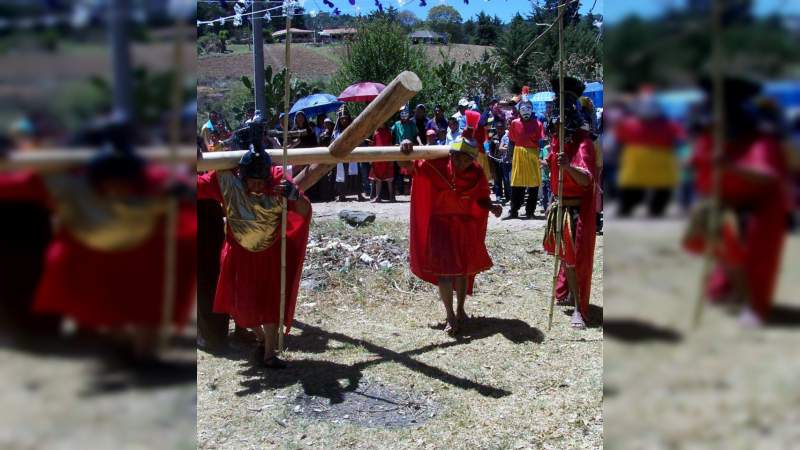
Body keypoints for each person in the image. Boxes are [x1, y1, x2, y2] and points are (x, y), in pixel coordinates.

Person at [0, 124, 197, 362]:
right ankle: (121, 345)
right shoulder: (67, 186)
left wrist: (183, 192)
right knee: (103, 305)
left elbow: (184, 191)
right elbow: (14, 185)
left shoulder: (154, 181)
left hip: (143, 255)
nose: (117, 189)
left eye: (123, 182)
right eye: (111, 182)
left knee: (149, 305)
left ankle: (145, 354)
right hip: (92, 256)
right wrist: (6, 164)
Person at [197, 135, 312, 367]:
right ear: (242, 175)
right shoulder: (226, 182)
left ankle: (269, 354)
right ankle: (261, 340)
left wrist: (295, 195)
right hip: (238, 253)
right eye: (253, 181)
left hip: (270, 254)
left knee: (270, 304)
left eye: (262, 181)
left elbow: (304, 209)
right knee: (239, 306)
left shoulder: (279, 181)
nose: (258, 186)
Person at [683, 78, 790, 327]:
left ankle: (754, 305)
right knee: (725, 251)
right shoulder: (710, 137)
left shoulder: (760, 139)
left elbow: (767, 176)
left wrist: (731, 167)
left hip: (761, 207)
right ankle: (730, 291)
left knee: (753, 258)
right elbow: (700, 164)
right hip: (724, 202)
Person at [403, 126, 503, 335]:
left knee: (462, 272)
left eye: (466, 160)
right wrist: (405, 147)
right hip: (440, 226)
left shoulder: (475, 171)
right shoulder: (436, 164)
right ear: (451, 154)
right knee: (444, 275)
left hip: (464, 227)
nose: (461, 163)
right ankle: (450, 315)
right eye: (458, 158)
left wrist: (491, 206)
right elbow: (407, 166)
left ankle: (460, 310)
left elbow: (481, 197)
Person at [542, 77, 598, 330]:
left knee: (574, 260)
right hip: (560, 206)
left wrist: (568, 166)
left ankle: (579, 307)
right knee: (565, 257)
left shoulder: (584, 142)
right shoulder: (557, 141)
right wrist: (552, 161)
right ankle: (567, 292)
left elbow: (587, 179)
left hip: (576, 211)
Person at [615, 91, 684, 217]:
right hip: (643, 164)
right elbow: (678, 139)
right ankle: (630, 208)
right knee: (633, 188)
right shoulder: (629, 124)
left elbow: (620, 140)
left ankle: (651, 209)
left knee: (659, 189)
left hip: (648, 164)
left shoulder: (669, 125)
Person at [504, 97, 543, 219]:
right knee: (517, 183)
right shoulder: (515, 123)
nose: (526, 111)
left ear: (532, 110)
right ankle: (514, 210)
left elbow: (541, 142)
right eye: (523, 109)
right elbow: (511, 141)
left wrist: (542, 158)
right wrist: (508, 156)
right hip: (518, 153)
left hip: (533, 154)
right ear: (519, 110)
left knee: (533, 184)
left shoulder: (538, 124)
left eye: (529, 108)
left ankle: (530, 211)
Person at [333, 108, 365, 202]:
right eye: (342, 118)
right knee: (342, 175)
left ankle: (359, 193)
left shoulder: (354, 130)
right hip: (341, 156)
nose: (344, 120)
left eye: (345, 118)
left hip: (352, 155)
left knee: (356, 174)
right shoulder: (336, 132)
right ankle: (342, 194)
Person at [392, 105, 422, 195]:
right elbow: (392, 134)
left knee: (408, 170)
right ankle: (396, 190)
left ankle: (408, 189)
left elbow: (416, 134)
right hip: (398, 149)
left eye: (405, 112)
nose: (404, 114)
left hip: (409, 149)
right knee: (397, 170)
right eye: (402, 112)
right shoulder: (396, 124)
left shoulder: (411, 124)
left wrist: (420, 143)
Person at [370, 122, 395, 203]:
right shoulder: (375, 132)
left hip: (387, 157)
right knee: (378, 179)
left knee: (389, 179)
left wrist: (391, 157)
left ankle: (392, 197)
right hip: (377, 158)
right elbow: (373, 145)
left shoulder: (388, 132)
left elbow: (391, 144)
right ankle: (377, 197)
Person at [539, 142, 552, 211]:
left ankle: (549, 209)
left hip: (551, 176)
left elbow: (549, 162)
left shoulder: (554, 149)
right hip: (544, 176)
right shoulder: (544, 148)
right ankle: (544, 208)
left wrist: (544, 163)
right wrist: (543, 163)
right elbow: (540, 159)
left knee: (550, 194)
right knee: (544, 194)